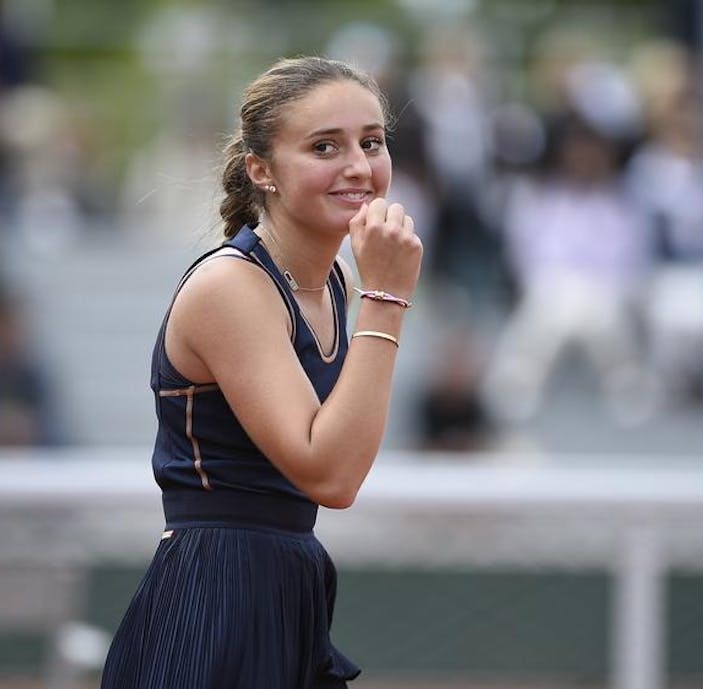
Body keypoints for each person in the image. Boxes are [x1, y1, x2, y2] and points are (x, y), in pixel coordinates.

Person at [100, 57, 422, 689]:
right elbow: (331, 473)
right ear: (261, 171)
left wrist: (374, 295)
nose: (359, 164)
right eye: (324, 146)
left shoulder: (334, 284)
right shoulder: (231, 286)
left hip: (282, 587)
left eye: (372, 141)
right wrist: (385, 300)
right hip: (214, 596)